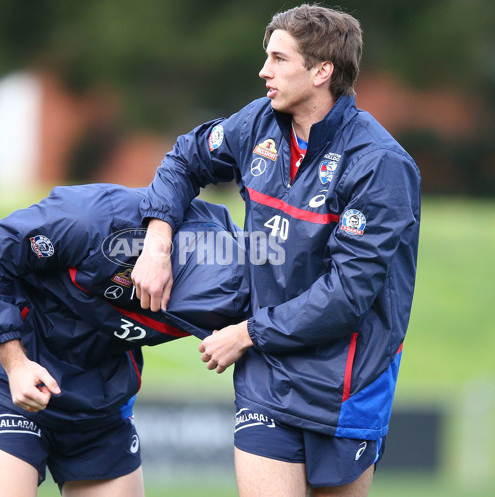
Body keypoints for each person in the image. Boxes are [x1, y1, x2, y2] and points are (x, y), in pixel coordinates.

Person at [131, 4, 421, 497]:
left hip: (347, 384)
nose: (264, 71)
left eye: (279, 59)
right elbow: (185, 158)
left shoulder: (379, 164)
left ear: (321, 71)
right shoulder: (258, 123)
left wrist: (245, 332)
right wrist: (156, 245)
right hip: (266, 377)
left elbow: (349, 294)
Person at [0, 183, 249, 497]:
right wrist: (15, 364)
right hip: (14, 387)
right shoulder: (88, 220)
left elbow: (291, 317)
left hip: (102, 405)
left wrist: (246, 334)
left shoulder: (240, 281)